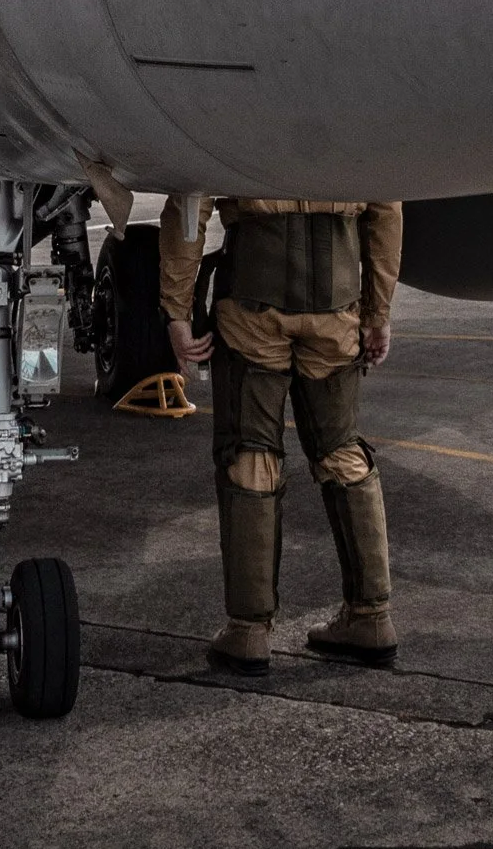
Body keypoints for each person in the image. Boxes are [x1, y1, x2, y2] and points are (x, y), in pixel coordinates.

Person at [160, 193, 403, 676]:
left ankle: (249, 631)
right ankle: (371, 617)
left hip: (253, 308)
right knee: (342, 451)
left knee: (251, 455)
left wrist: (177, 310)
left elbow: (190, 201)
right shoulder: (358, 118)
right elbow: (386, 210)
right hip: (335, 311)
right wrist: (378, 313)